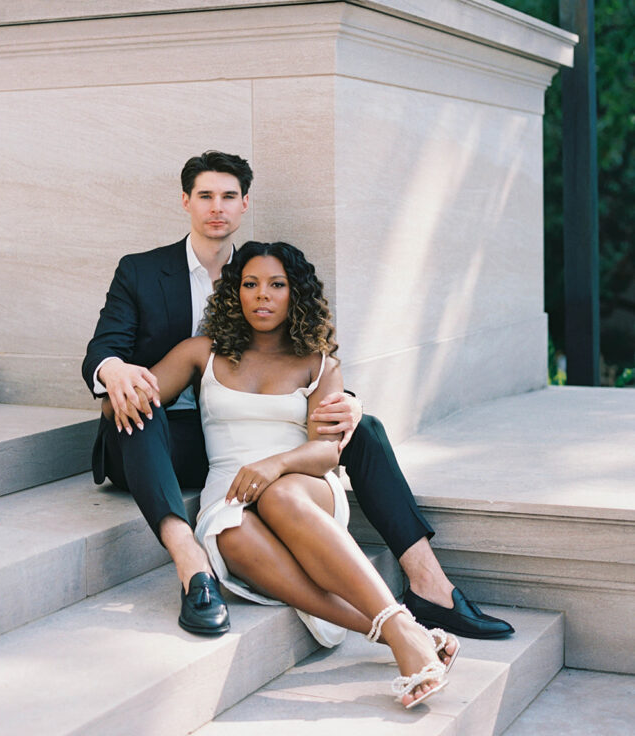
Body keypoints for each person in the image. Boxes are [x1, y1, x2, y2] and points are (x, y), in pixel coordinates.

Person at [82, 150, 514, 641]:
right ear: (186, 201)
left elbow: (293, 363)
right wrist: (113, 371)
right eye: (205, 195)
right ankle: (192, 566)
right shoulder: (141, 271)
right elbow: (105, 348)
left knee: (363, 428)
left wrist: (350, 402)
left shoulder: (258, 272)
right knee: (140, 406)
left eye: (228, 196)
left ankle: (429, 585)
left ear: (244, 204)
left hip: (243, 437)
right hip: (164, 438)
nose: (216, 207)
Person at [128, 240, 459, 709]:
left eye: (276, 285)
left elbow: (326, 452)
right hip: (230, 490)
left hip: (302, 484)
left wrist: (276, 464)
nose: (262, 295)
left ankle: (400, 633)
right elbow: (135, 396)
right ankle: (400, 631)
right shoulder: (202, 351)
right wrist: (117, 372)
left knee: (280, 496)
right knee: (230, 536)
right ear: (234, 293)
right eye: (250, 284)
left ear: (294, 294)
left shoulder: (318, 362)